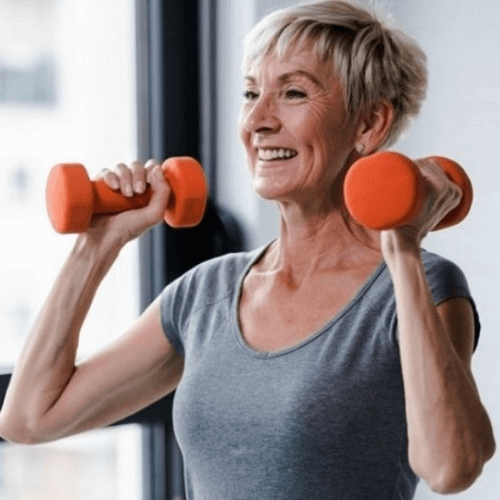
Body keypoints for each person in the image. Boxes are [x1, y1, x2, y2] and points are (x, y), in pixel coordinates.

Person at [0, 0, 495, 498]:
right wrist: (96, 246)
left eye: (293, 93)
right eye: (251, 92)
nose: (258, 119)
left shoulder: (422, 287)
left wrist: (403, 250)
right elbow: (28, 419)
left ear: (368, 125)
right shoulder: (205, 294)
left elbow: (450, 467)